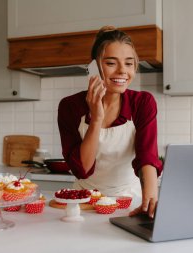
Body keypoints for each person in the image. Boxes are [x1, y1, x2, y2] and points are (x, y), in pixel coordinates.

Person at [57, 26, 162, 218]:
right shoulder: (70, 107)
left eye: (129, 64)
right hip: (84, 203)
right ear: (95, 67)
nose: (123, 71)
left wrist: (150, 202)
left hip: (130, 201)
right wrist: (96, 117)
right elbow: (83, 169)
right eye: (111, 63)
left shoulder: (142, 103)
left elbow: (147, 157)